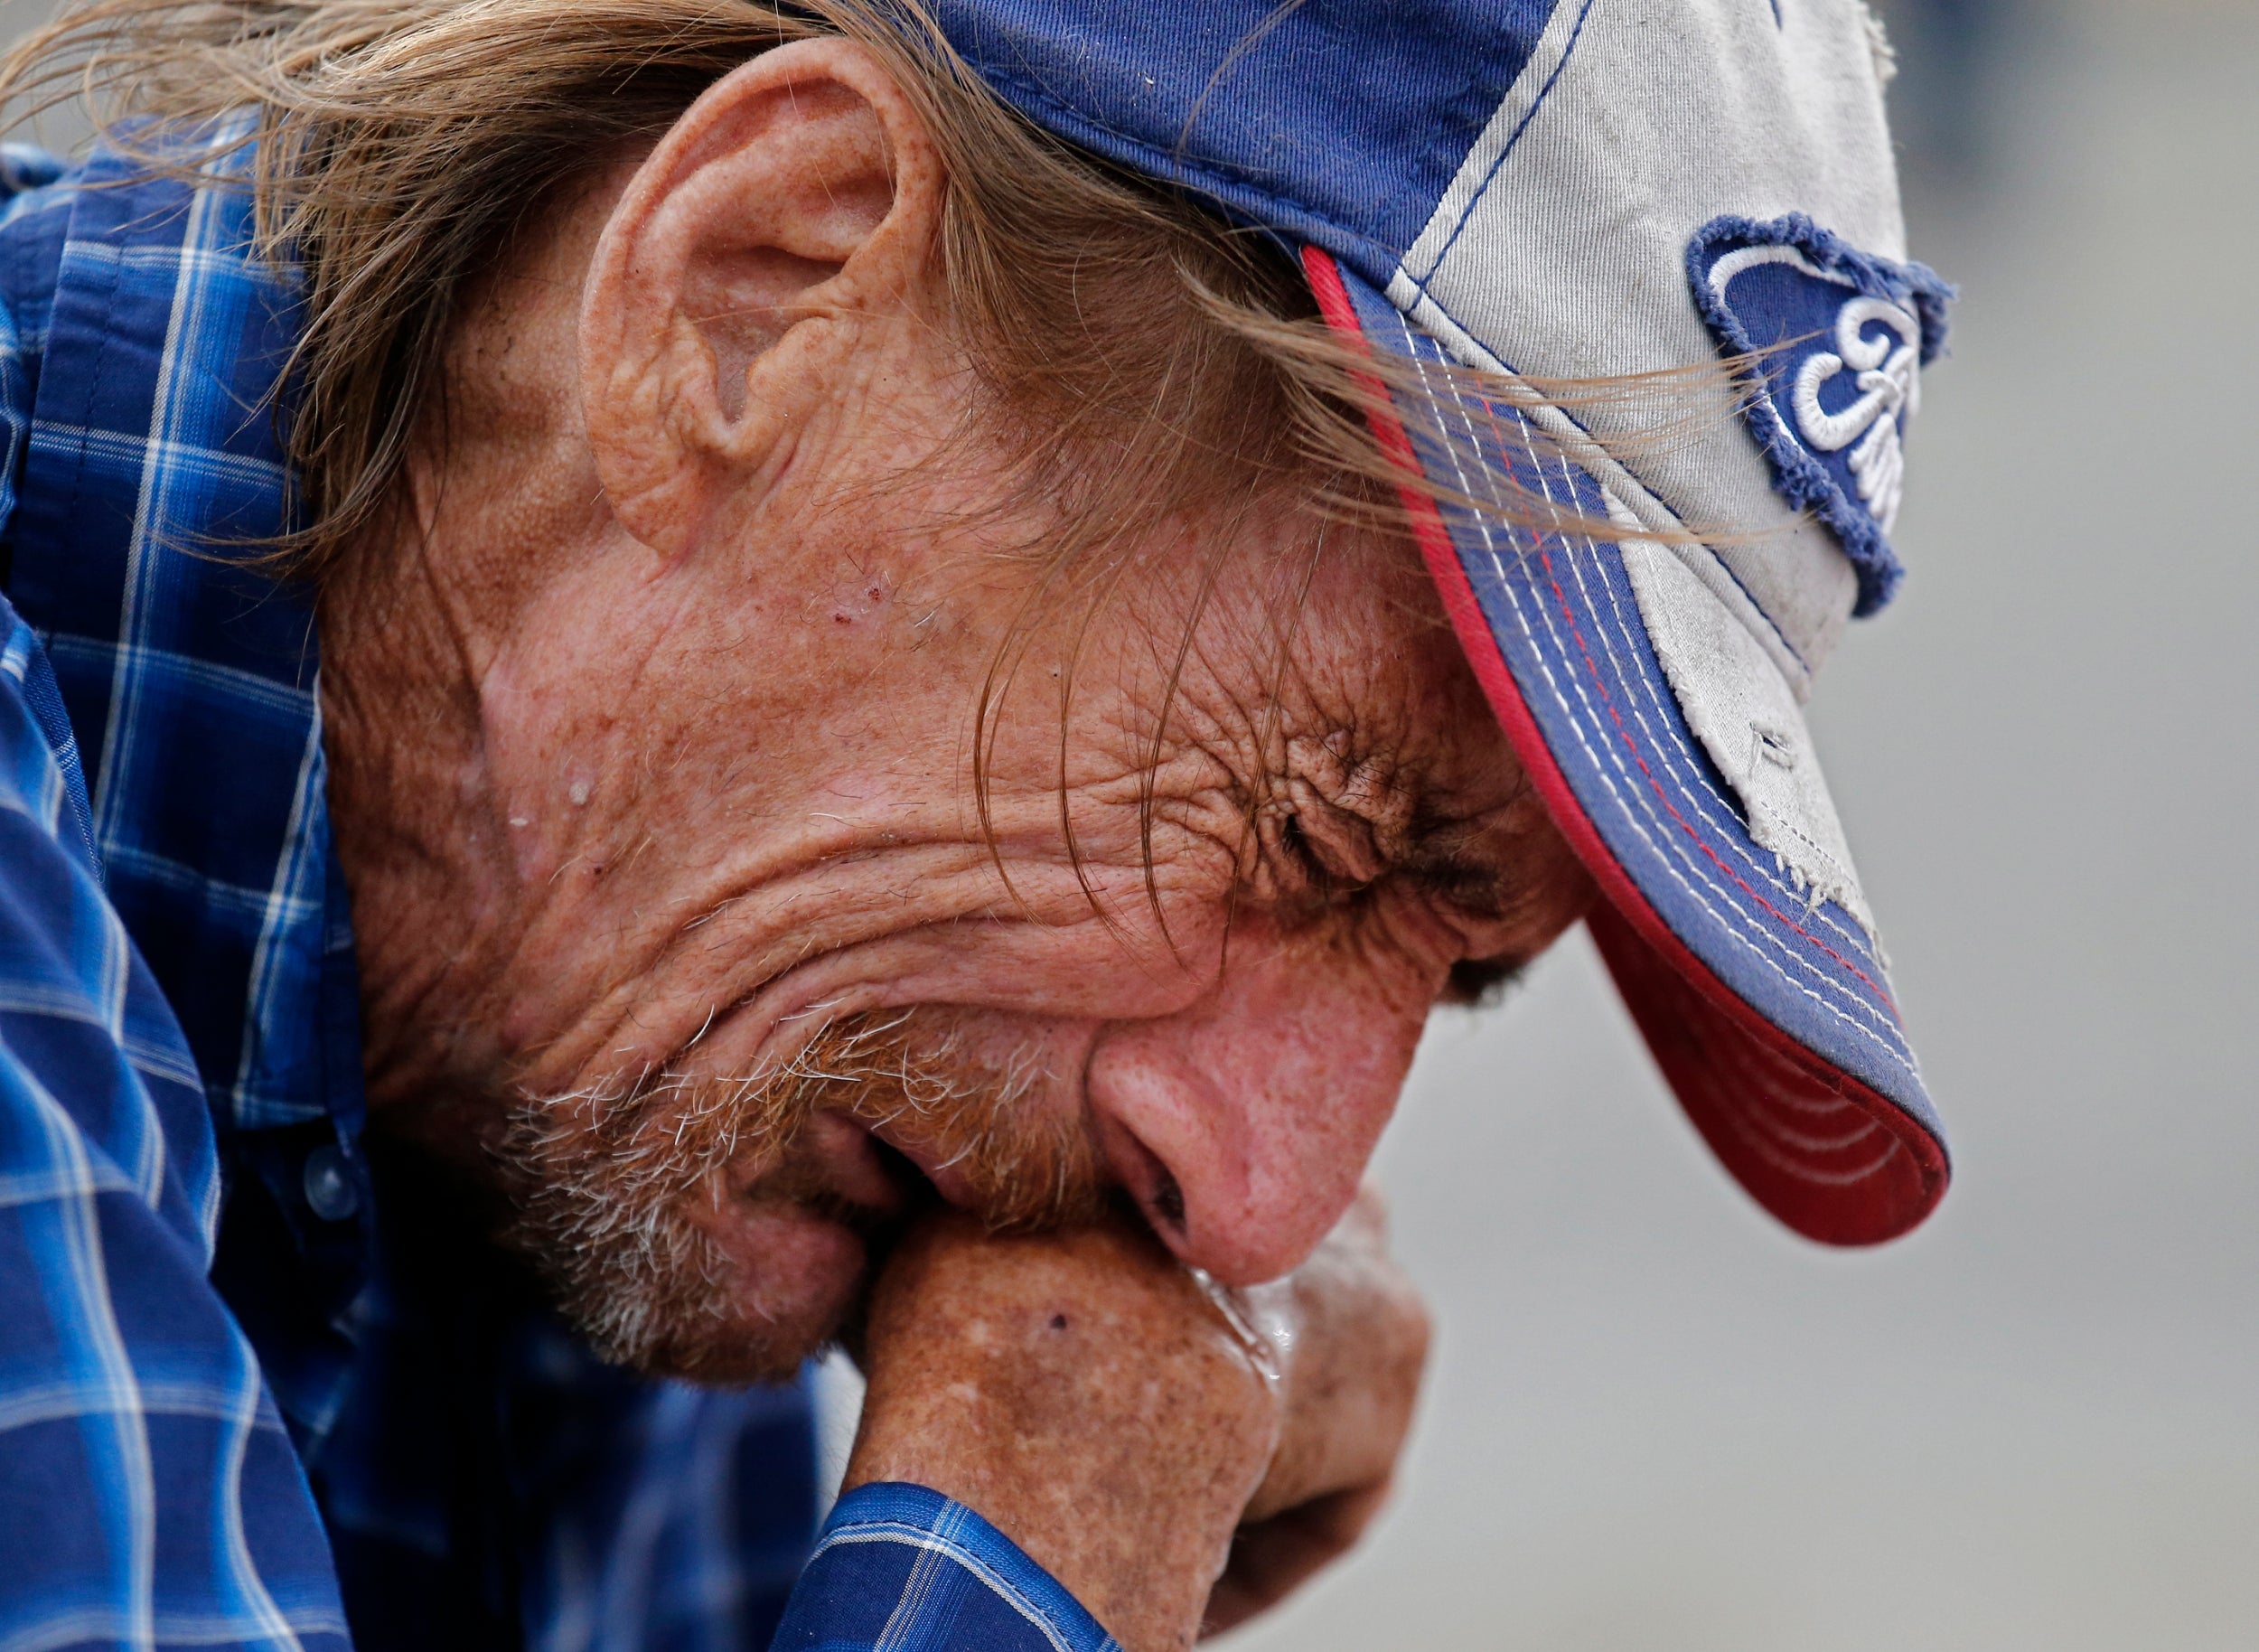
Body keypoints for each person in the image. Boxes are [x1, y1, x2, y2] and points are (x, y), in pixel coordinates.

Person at [0, 1, 1954, 1648]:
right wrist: (1029, 1532)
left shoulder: (667, 1035)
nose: (1264, 1208)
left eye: (1457, 984)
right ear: (757, 289)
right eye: (1314, 838)